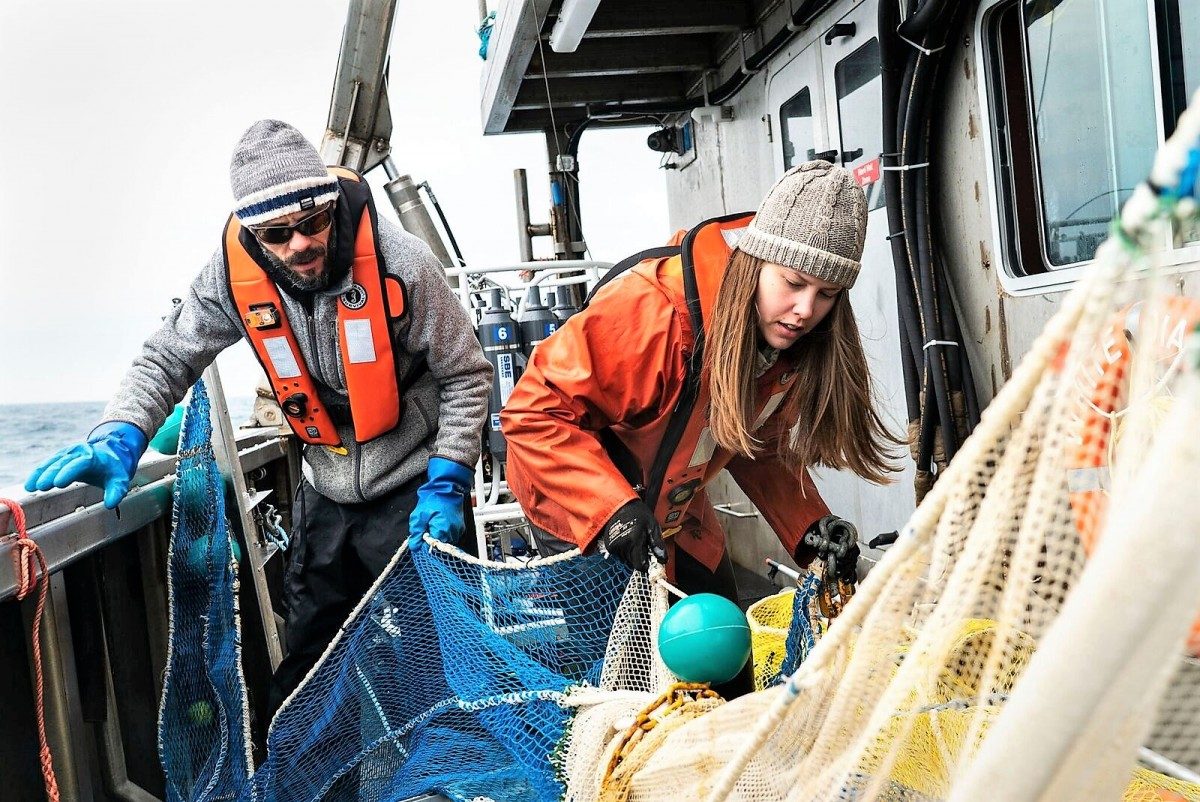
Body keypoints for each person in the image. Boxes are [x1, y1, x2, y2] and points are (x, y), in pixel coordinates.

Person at [25, 120, 492, 712]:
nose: (298, 243)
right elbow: (168, 353)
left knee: (438, 657)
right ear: (254, 235)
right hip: (326, 482)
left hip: (415, 480)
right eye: (276, 233)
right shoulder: (227, 279)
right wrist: (121, 433)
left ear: (329, 208)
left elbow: (467, 373)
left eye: (312, 222)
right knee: (310, 664)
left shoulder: (402, 261)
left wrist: (449, 479)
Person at [500, 161, 900, 690]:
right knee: (625, 688)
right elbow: (533, 413)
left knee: (727, 666)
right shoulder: (655, 312)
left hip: (674, 505)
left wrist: (808, 527)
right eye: (794, 282)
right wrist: (612, 511)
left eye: (826, 294)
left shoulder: (781, 338)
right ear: (758, 260)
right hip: (582, 509)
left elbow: (756, 443)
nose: (805, 310)